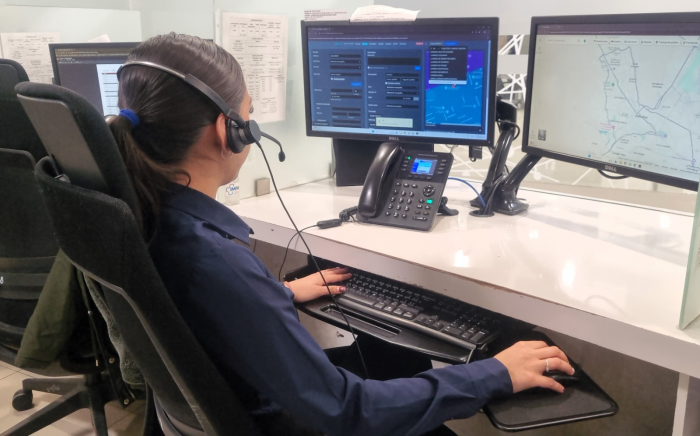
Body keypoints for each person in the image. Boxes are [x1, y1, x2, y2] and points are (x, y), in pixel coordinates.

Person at [109, 33, 575, 436]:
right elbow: (348, 412)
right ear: (226, 132)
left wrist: (273, 295)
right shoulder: (213, 260)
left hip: (229, 405)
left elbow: (197, 311)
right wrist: (495, 373)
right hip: (285, 420)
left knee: (394, 356)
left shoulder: (136, 216)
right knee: (398, 368)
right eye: (248, 116)